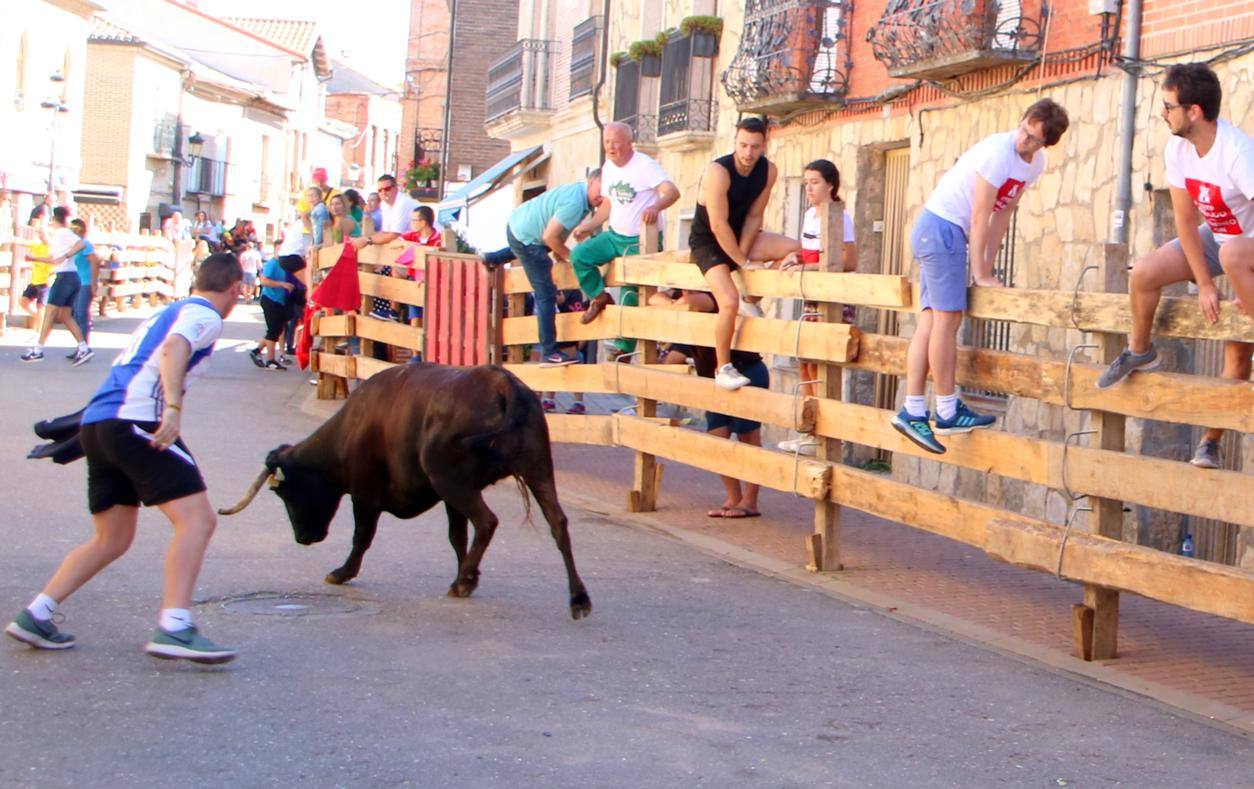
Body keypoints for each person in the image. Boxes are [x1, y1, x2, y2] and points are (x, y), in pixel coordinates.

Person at [6, 253, 245, 664]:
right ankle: (175, 626)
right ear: (235, 289)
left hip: (100, 424)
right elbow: (174, 349)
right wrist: (172, 408)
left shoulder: (173, 309)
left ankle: (37, 614)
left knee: (112, 538)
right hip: (135, 421)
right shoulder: (206, 315)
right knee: (197, 520)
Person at [1096, 64, 1254, 469]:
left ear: (1195, 111)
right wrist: (1204, 283)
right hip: (1219, 239)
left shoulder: (1238, 153)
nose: (1163, 113)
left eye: (1169, 106)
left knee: (1238, 351)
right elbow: (1185, 222)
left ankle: (1210, 442)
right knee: (1146, 272)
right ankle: (1140, 351)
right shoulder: (1179, 148)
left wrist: (1243, 275)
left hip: (1246, 247)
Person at [892, 99, 1069, 455]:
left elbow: (1003, 214)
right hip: (944, 229)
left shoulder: (1034, 166)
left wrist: (989, 260)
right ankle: (945, 409)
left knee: (930, 322)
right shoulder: (997, 153)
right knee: (946, 321)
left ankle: (913, 409)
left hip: (943, 233)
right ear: (1020, 121)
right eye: (1023, 131)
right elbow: (979, 215)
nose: (1024, 142)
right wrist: (982, 272)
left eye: (1034, 139)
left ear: (1045, 144)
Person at [688, 117, 799, 390]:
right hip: (708, 241)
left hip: (740, 238)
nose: (748, 153)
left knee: (794, 249)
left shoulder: (768, 171)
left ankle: (753, 295)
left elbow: (754, 216)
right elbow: (717, 224)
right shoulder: (718, 172)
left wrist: (745, 255)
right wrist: (743, 261)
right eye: (743, 145)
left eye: (755, 147)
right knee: (727, 301)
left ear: (765, 145)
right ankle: (723, 367)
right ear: (735, 142)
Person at [775, 159, 858, 455]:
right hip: (812, 296)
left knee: (821, 362)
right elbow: (809, 252)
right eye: (806, 182)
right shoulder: (809, 215)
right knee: (805, 360)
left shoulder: (839, 217)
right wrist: (796, 258)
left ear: (830, 185)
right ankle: (811, 427)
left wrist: (808, 269)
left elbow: (849, 261)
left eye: (815, 182)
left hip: (834, 297)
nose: (808, 188)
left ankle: (825, 429)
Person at [571, 123, 680, 330]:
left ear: (630, 144)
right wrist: (589, 225)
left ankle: (624, 346)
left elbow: (672, 192)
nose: (611, 148)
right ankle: (599, 296)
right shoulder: (608, 167)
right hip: (614, 236)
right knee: (579, 256)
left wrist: (656, 207)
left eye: (616, 142)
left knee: (631, 289)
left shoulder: (645, 165)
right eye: (607, 142)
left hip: (639, 241)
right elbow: (609, 204)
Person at [506, 170, 603, 366]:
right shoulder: (577, 204)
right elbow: (549, 237)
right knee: (546, 294)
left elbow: (557, 229)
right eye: (602, 188)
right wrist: (572, 258)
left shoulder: (578, 193)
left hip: (518, 227)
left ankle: (493, 258)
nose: (603, 197)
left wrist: (560, 247)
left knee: (538, 252)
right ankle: (550, 351)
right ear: (591, 181)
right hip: (526, 238)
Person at [21, 207, 92, 365]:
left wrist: (66, 256)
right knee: (65, 316)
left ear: (54, 220)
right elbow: (55, 260)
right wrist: (34, 259)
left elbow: (82, 244)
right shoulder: (59, 237)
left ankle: (38, 350)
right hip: (71, 277)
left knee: (50, 312)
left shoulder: (63, 233)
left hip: (65, 278)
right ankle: (83, 347)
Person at [351, 174, 420, 321]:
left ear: (396, 188)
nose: (383, 193)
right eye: (380, 190)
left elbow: (393, 234)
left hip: (421, 246)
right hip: (407, 249)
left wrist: (367, 240)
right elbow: (385, 232)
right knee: (391, 271)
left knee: (393, 271)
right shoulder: (385, 205)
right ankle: (392, 312)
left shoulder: (402, 203)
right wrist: (364, 239)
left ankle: (393, 312)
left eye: (387, 188)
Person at [394, 205, 442, 328]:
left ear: (423, 222)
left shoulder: (439, 239)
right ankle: (415, 347)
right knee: (415, 316)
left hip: (432, 284)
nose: (411, 223)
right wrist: (409, 245)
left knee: (430, 318)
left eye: (414, 220)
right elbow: (393, 244)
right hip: (415, 282)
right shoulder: (412, 236)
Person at [251, 253, 300, 370]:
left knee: (277, 329)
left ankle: (257, 351)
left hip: (280, 300)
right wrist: (282, 284)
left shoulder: (286, 264)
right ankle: (270, 359)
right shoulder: (272, 263)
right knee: (274, 330)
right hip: (270, 299)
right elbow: (264, 281)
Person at [69, 218, 103, 345]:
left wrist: (94, 283)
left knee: (81, 314)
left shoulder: (85, 245)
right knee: (76, 314)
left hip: (86, 283)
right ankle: (81, 345)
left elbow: (95, 263)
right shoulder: (75, 246)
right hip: (78, 283)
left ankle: (84, 346)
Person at [20, 205, 52, 319]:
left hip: (45, 282)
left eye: (42, 234)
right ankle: (39, 319)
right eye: (39, 234)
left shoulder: (52, 248)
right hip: (36, 280)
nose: (40, 236)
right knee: (24, 301)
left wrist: (51, 277)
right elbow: (23, 242)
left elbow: (54, 263)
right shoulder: (38, 245)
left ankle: (40, 330)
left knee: (40, 306)